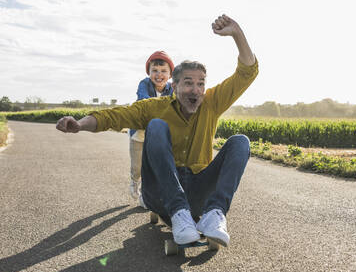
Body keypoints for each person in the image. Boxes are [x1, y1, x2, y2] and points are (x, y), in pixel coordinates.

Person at [56, 14, 258, 247]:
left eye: (201, 83)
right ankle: (178, 212)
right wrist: (80, 124)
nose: (196, 89)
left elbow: (247, 73)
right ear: (175, 86)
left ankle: (215, 213)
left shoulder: (211, 102)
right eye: (188, 83)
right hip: (160, 193)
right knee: (156, 125)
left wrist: (237, 33)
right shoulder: (155, 107)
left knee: (240, 141)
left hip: (198, 192)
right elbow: (114, 116)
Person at [130, 51, 175, 201]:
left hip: (159, 134)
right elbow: (144, 100)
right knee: (138, 166)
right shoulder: (144, 84)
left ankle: (146, 195)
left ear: (170, 75)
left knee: (155, 168)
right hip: (140, 134)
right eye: (154, 71)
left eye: (163, 71)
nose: (158, 74)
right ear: (149, 72)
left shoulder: (172, 89)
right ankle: (135, 180)